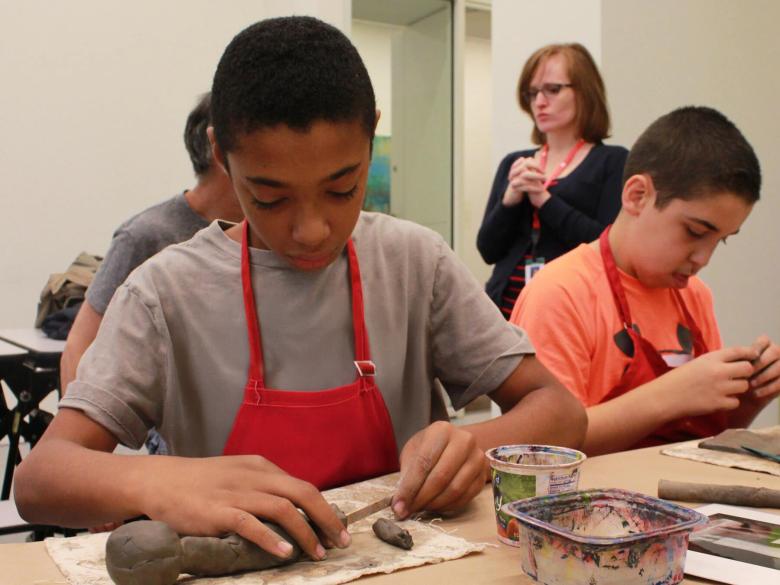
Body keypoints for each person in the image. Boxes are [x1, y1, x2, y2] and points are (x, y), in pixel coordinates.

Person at [16, 16, 586, 563]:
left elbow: (559, 411)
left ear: (371, 137)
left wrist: (478, 447)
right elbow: (42, 479)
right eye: (269, 198)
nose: (311, 229)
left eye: (343, 188)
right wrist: (159, 482)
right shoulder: (165, 294)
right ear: (220, 155)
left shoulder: (414, 263)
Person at [511, 106, 780, 456]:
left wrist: (745, 399)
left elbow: (699, 440)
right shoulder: (560, 294)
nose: (704, 259)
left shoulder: (694, 296)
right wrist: (669, 395)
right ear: (637, 195)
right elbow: (543, 448)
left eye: (721, 240)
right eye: (695, 232)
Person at [60, 92, 244, 397]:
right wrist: (78, 442)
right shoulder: (146, 235)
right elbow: (79, 349)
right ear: (220, 152)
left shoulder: (271, 237)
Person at [477, 43, 628, 318]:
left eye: (553, 90)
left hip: (572, 311)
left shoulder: (613, 161)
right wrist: (510, 200)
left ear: (584, 92)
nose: (539, 102)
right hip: (503, 313)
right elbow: (488, 250)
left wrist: (544, 201)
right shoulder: (515, 163)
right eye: (532, 93)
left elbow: (607, 246)